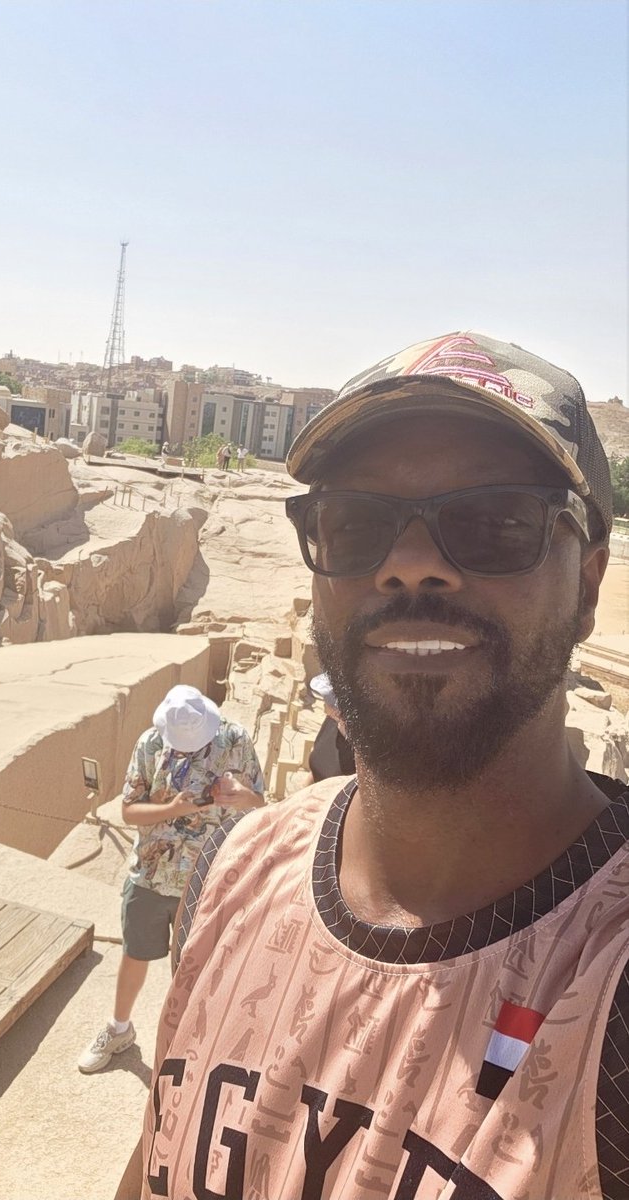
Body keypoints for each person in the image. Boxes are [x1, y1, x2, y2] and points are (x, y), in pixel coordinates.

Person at [127, 332, 628, 1200]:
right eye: (356, 525)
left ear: (586, 585)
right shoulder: (232, 873)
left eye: (494, 522)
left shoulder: (604, 993)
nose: (410, 564)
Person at [78, 684, 264, 1075]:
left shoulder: (234, 739)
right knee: (134, 954)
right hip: (151, 873)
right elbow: (129, 812)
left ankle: (188, 1044)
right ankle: (119, 1029)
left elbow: (259, 801)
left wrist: (237, 796)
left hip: (207, 878)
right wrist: (170, 809)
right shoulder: (149, 743)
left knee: (192, 966)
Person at [308, 671, 355, 778]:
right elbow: (315, 767)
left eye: (327, 698)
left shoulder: (359, 749)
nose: (324, 700)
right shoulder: (332, 722)